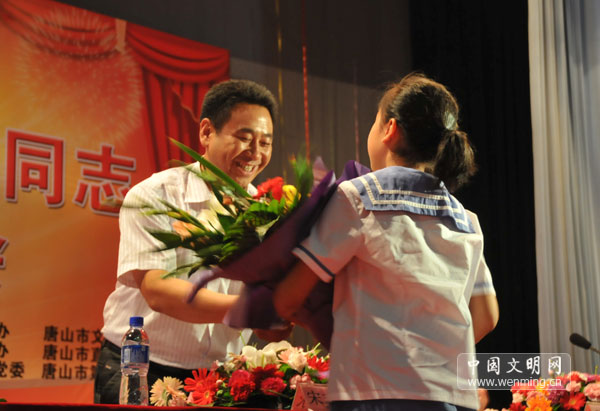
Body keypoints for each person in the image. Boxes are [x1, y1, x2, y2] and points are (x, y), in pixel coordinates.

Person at [273, 73, 499, 411]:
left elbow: (291, 296)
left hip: (374, 393)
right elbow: (486, 317)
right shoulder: (466, 219)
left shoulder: (357, 197)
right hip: (447, 396)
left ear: (389, 129)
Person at [95, 79, 286, 403]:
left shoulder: (269, 213)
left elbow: (270, 311)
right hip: (141, 368)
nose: (255, 153)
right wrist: (248, 310)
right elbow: (158, 291)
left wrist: (279, 316)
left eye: (265, 143)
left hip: (220, 377)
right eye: (244, 138)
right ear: (207, 132)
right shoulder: (155, 196)